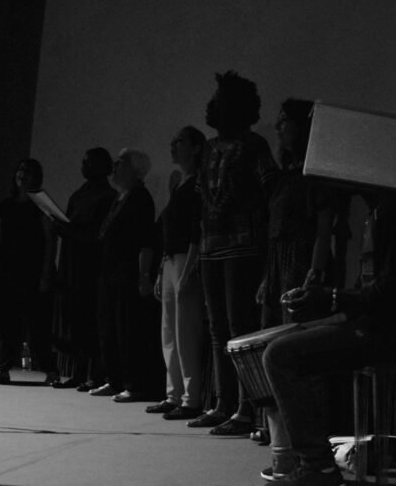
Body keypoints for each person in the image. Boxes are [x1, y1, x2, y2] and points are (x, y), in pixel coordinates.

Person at [260, 192, 396, 486]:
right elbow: (369, 293)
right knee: (285, 347)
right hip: (374, 324)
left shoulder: (394, 212)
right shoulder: (378, 212)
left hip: (394, 333)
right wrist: (327, 305)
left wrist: (332, 298)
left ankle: (318, 466)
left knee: (280, 356)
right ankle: (315, 463)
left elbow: (389, 294)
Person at [256, 97, 346, 455]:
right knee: (273, 343)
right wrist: (267, 277)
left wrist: (315, 272)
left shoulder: (318, 174)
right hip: (280, 264)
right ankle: (281, 428)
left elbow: (324, 229)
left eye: (284, 121)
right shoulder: (285, 176)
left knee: (298, 345)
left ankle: (310, 430)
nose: (278, 128)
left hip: (303, 262)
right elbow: (274, 233)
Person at [193, 70, 278, 436]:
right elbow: (203, 197)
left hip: (243, 247)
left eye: (217, 100)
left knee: (239, 329)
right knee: (217, 328)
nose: (210, 106)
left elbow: (271, 189)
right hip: (211, 246)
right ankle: (222, 403)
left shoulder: (254, 144)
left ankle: (246, 408)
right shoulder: (209, 148)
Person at [87, 148, 160, 402]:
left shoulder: (140, 198)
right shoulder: (119, 198)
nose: (115, 167)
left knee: (126, 328)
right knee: (108, 326)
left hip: (127, 272)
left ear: (135, 170)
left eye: (121, 163)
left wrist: (144, 274)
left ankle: (133, 383)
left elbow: (145, 240)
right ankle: (113, 378)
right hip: (109, 271)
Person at [144, 126, 206, 420]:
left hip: (185, 258)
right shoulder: (180, 184)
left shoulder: (199, 183)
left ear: (195, 148)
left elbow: (196, 229)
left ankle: (191, 398)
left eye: (179, 141)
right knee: (168, 330)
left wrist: (190, 267)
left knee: (185, 331)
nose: (172, 146)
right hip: (170, 260)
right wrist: (160, 270)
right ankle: (173, 394)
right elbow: (168, 231)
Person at [0, 159, 58, 384]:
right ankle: (3, 368)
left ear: (36, 177)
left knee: (39, 326)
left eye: (28, 171)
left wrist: (46, 274)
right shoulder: (5, 205)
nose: (22, 174)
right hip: (8, 272)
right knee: (7, 324)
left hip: (34, 272)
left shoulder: (41, 204)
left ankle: (50, 371)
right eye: (20, 170)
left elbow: (50, 240)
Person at [50, 148, 118, 390]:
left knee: (90, 321)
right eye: (83, 161)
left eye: (88, 162)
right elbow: (70, 225)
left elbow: (96, 234)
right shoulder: (80, 194)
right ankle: (78, 372)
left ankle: (95, 374)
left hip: (91, 266)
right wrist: (59, 226)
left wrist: (66, 228)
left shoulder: (108, 196)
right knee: (75, 320)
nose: (83, 166)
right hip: (71, 262)